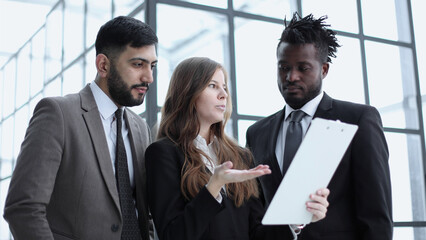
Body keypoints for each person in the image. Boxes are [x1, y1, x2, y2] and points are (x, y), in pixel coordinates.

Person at [3, 16, 158, 240]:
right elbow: (23, 208)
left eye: (152, 66)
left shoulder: (140, 128)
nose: (149, 77)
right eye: (138, 64)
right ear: (103, 65)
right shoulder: (59, 114)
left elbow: (143, 215)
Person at [145, 57, 330, 240]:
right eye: (212, 85)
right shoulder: (162, 154)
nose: (223, 94)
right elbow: (172, 234)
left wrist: (294, 220)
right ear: (187, 92)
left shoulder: (240, 156)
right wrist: (214, 185)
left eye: (224, 87)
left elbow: (257, 234)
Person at [246, 13, 393, 239]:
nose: (291, 76)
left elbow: (376, 217)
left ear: (324, 69)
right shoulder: (257, 133)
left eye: (303, 68)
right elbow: (256, 217)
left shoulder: (358, 119)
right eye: (283, 67)